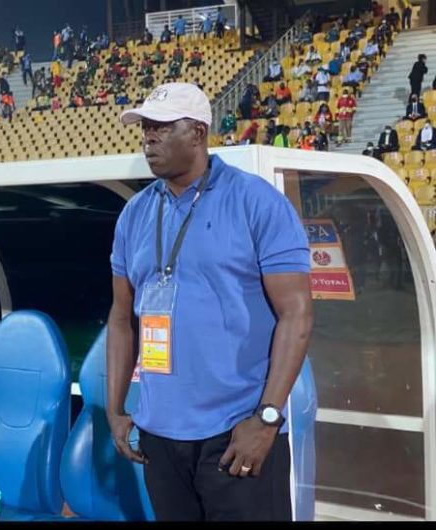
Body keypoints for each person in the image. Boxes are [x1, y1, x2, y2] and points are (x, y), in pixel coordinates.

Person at [109, 82, 312, 522]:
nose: (149, 138)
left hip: (237, 430)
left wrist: (267, 418)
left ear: (198, 133)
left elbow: (296, 314)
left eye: (163, 127)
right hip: (159, 434)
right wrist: (115, 409)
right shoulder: (135, 214)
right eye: (146, 128)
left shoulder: (257, 202)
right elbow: (122, 318)